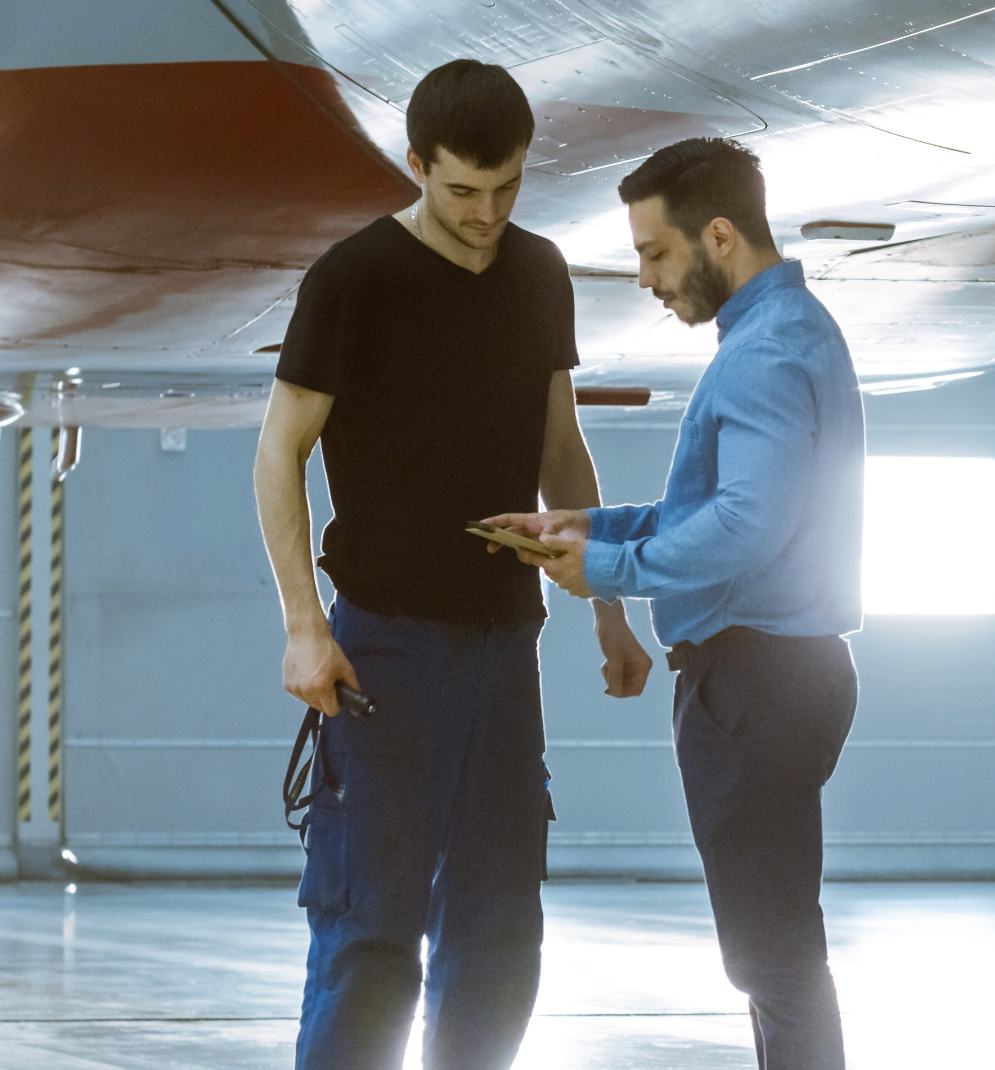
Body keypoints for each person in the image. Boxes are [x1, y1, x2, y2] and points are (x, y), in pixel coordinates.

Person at [253, 58, 652, 1070]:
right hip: (384, 650)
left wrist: (606, 596)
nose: (485, 213)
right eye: (461, 190)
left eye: (506, 187)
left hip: (504, 646)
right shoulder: (352, 279)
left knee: (501, 931)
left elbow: (559, 443)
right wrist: (304, 623)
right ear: (417, 164)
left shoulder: (537, 271)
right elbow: (278, 451)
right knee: (374, 934)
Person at [485, 137, 864, 1070]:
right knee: (774, 943)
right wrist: (595, 521)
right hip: (783, 670)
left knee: (770, 951)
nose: (647, 278)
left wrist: (608, 570)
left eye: (656, 253)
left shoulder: (764, 354)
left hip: (754, 679)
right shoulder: (787, 332)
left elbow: (747, 525)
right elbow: (725, 505)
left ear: (721, 236)